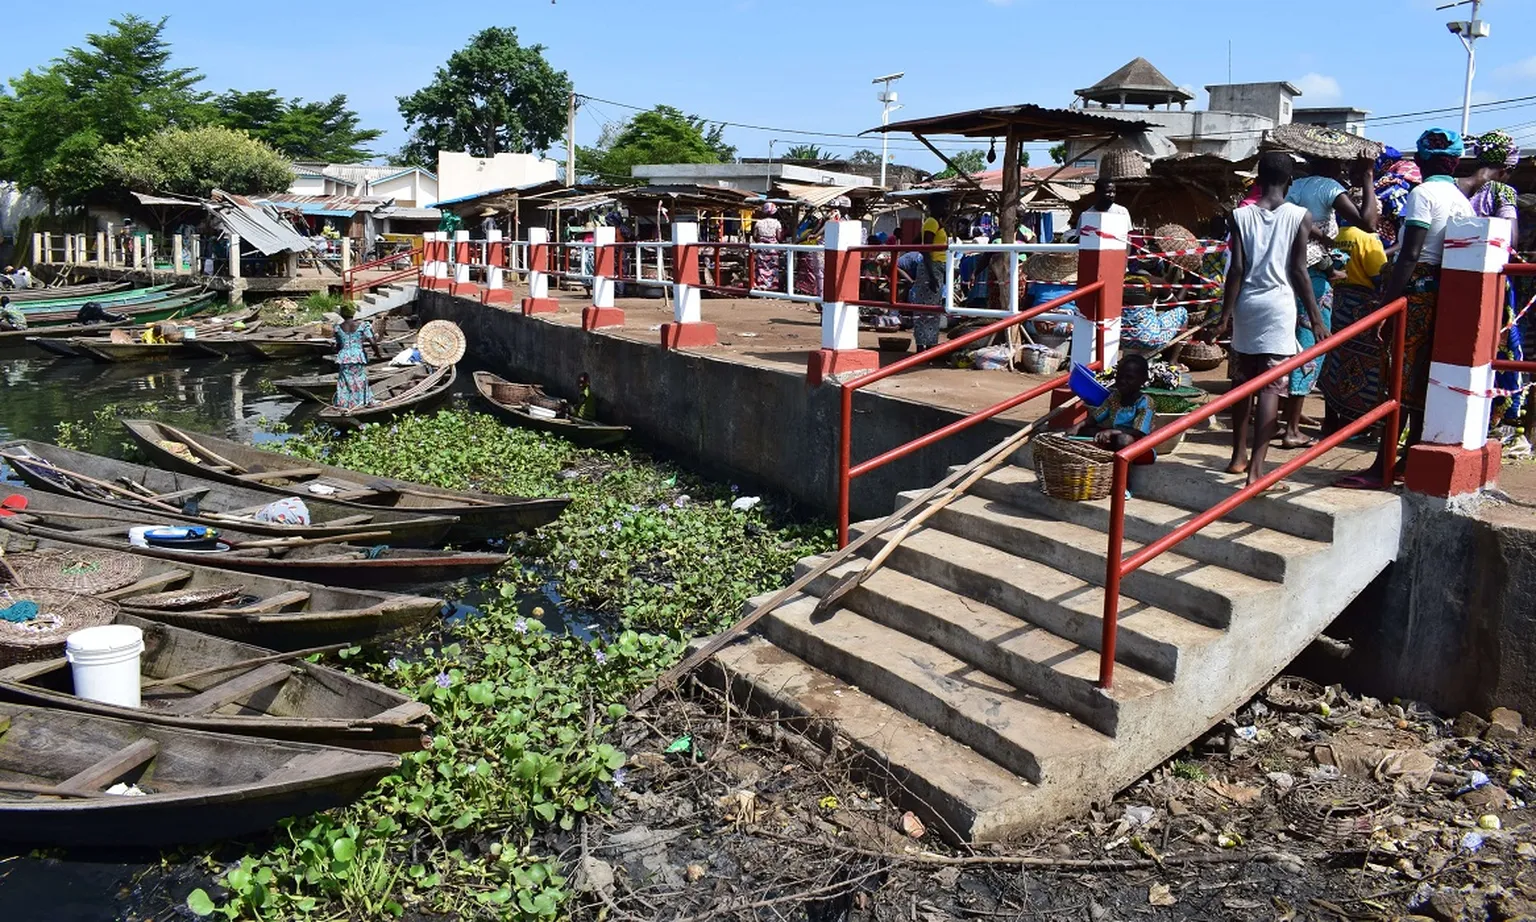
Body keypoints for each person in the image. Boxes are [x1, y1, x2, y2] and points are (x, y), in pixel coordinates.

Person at [1339, 129, 1480, 487]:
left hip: (1414, 295)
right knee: (1419, 381)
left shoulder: (1423, 194)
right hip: (1442, 295)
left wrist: (1385, 306)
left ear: (1420, 160)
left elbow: (1410, 254)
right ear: (1456, 161)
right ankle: (1406, 458)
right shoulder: (1461, 200)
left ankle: (1381, 467)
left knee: (1395, 378)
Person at [1219, 151, 1326, 491]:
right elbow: (1298, 270)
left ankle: (1238, 456)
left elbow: (1236, 269)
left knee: (1242, 381)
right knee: (1271, 386)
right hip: (1279, 307)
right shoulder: (1300, 216)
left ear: (1258, 179)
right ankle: (1257, 470)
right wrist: (1315, 317)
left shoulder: (1240, 215)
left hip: (1246, 306)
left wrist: (1224, 317)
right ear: (1290, 181)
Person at [1280, 157, 1380, 448]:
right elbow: (1368, 222)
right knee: (1309, 345)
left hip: (1285, 268)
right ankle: (1292, 429)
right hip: (1313, 274)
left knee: (1285, 345)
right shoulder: (1330, 187)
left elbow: (1296, 223)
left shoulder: (1294, 186)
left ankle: (1278, 421)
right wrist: (1368, 179)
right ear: (1334, 164)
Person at [1468, 130, 1529, 452]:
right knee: (1506, 349)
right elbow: (1511, 239)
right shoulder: (1503, 190)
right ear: (1506, 167)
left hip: (1457, 274)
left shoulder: (1460, 185)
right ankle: (1504, 419)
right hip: (1492, 280)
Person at [1318, 222, 1390, 433]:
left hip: (1335, 303)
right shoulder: (1367, 239)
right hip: (1360, 309)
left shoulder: (1333, 235)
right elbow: (1378, 275)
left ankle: (1330, 420)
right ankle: (1355, 424)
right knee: (1361, 364)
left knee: (1331, 362)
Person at [1075, 353, 1156, 452]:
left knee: (1123, 439)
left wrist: (1112, 432)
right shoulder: (1114, 397)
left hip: (1137, 447)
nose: (1122, 381)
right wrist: (1077, 426)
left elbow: (1139, 431)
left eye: (1129, 378)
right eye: (1119, 376)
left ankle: (1122, 466)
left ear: (1143, 380)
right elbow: (1095, 418)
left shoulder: (1145, 402)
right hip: (1114, 438)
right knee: (1085, 431)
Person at [332, 304, 384, 410]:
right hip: (358, 357)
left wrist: (334, 349)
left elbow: (338, 346)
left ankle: (345, 404)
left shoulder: (337, 328)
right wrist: (378, 354)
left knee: (345, 381)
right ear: (353, 313)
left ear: (342, 314)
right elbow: (373, 342)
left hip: (344, 357)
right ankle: (364, 401)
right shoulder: (363, 325)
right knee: (360, 380)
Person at [751, 203, 783, 292]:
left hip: (761, 249)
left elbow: (755, 236)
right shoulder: (777, 223)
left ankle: (762, 285)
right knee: (773, 268)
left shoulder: (758, 223)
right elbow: (779, 237)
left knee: (761, 267)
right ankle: (772, 286)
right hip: (773, 249)